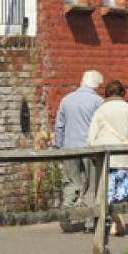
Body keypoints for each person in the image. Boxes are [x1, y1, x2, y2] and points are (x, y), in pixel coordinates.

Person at [85, 80, 128, 237]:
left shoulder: (100, 110)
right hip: (123, 157)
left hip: (105, 157)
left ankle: (112, 220)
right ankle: (116, 218)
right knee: (122, 191)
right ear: (122, 92)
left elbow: (91, 138)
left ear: (106, 93)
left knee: (107, 190)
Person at [52, 69, 105, 228]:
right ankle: (90, 221)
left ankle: (66, 214)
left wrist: (59, 147)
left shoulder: (66, 100)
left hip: (69, 147)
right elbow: (101, 127)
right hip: (90, 149)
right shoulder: (98, 102)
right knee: (91, 185)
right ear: (96, 86)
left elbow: (59, 126)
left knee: (71, 183)